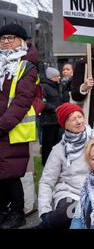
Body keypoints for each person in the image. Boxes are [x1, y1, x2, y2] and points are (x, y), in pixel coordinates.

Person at [0, 23, 39, 229]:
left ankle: (17, 213)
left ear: (21, 41)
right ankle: (3, 211)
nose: (6, 41)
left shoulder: (27, 66)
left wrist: (2, 125)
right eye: (3, 38)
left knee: (10, 174)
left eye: (11, 37)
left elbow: (22, 101)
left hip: (12, 130)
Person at [37, 102, 93, 229]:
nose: (78, 121)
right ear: (64, 124)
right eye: (73, 119)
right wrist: (44, 211)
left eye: (80, 117)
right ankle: (46, 223)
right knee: (68, 213)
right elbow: (46, 181)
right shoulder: (59, 150)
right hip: (70, 193)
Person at [40, 67, 64, 165]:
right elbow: (42, 102)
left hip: (57, 120)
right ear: (51, 77)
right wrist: (54, 108)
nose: (59, 78)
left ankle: (55, 163)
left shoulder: (56, 86)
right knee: (48, 145)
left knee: (56, 143)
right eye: (57, 76)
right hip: (48, 121)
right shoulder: (44, 87)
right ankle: (46, 163)